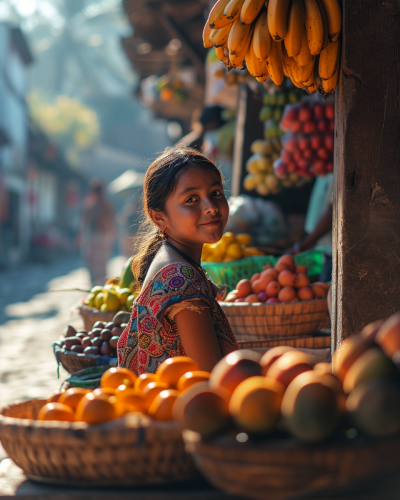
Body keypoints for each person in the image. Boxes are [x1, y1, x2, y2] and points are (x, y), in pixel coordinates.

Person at [117, 146, 237, 375]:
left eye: (216, 193)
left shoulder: (172, 260)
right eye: (191, 199)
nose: (211, 208)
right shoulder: (181, 279)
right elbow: (209, 382)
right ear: (159, 217)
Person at [291, 173, 333, 282]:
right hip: (322, 249)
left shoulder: (336, 173)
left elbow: (332, 212)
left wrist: (305, 243)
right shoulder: (323, 174)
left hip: (331, 253)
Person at [79, 179, 116, 286]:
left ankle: (100, 286)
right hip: (93, 238)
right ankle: (94, 286)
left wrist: (111, 234)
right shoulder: (90, 205)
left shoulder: (105, 206)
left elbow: (111, 222)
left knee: (101, 266)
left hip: (101, 238)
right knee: (92, 265)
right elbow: (84, 222)